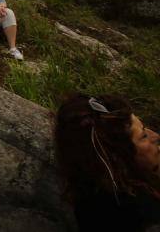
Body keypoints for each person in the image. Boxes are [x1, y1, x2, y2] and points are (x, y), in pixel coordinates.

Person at [55, 93, 160, 231]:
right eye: (143, 136)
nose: (156, 136)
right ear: (118, 157)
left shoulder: (90, 200)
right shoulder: (146, 216)